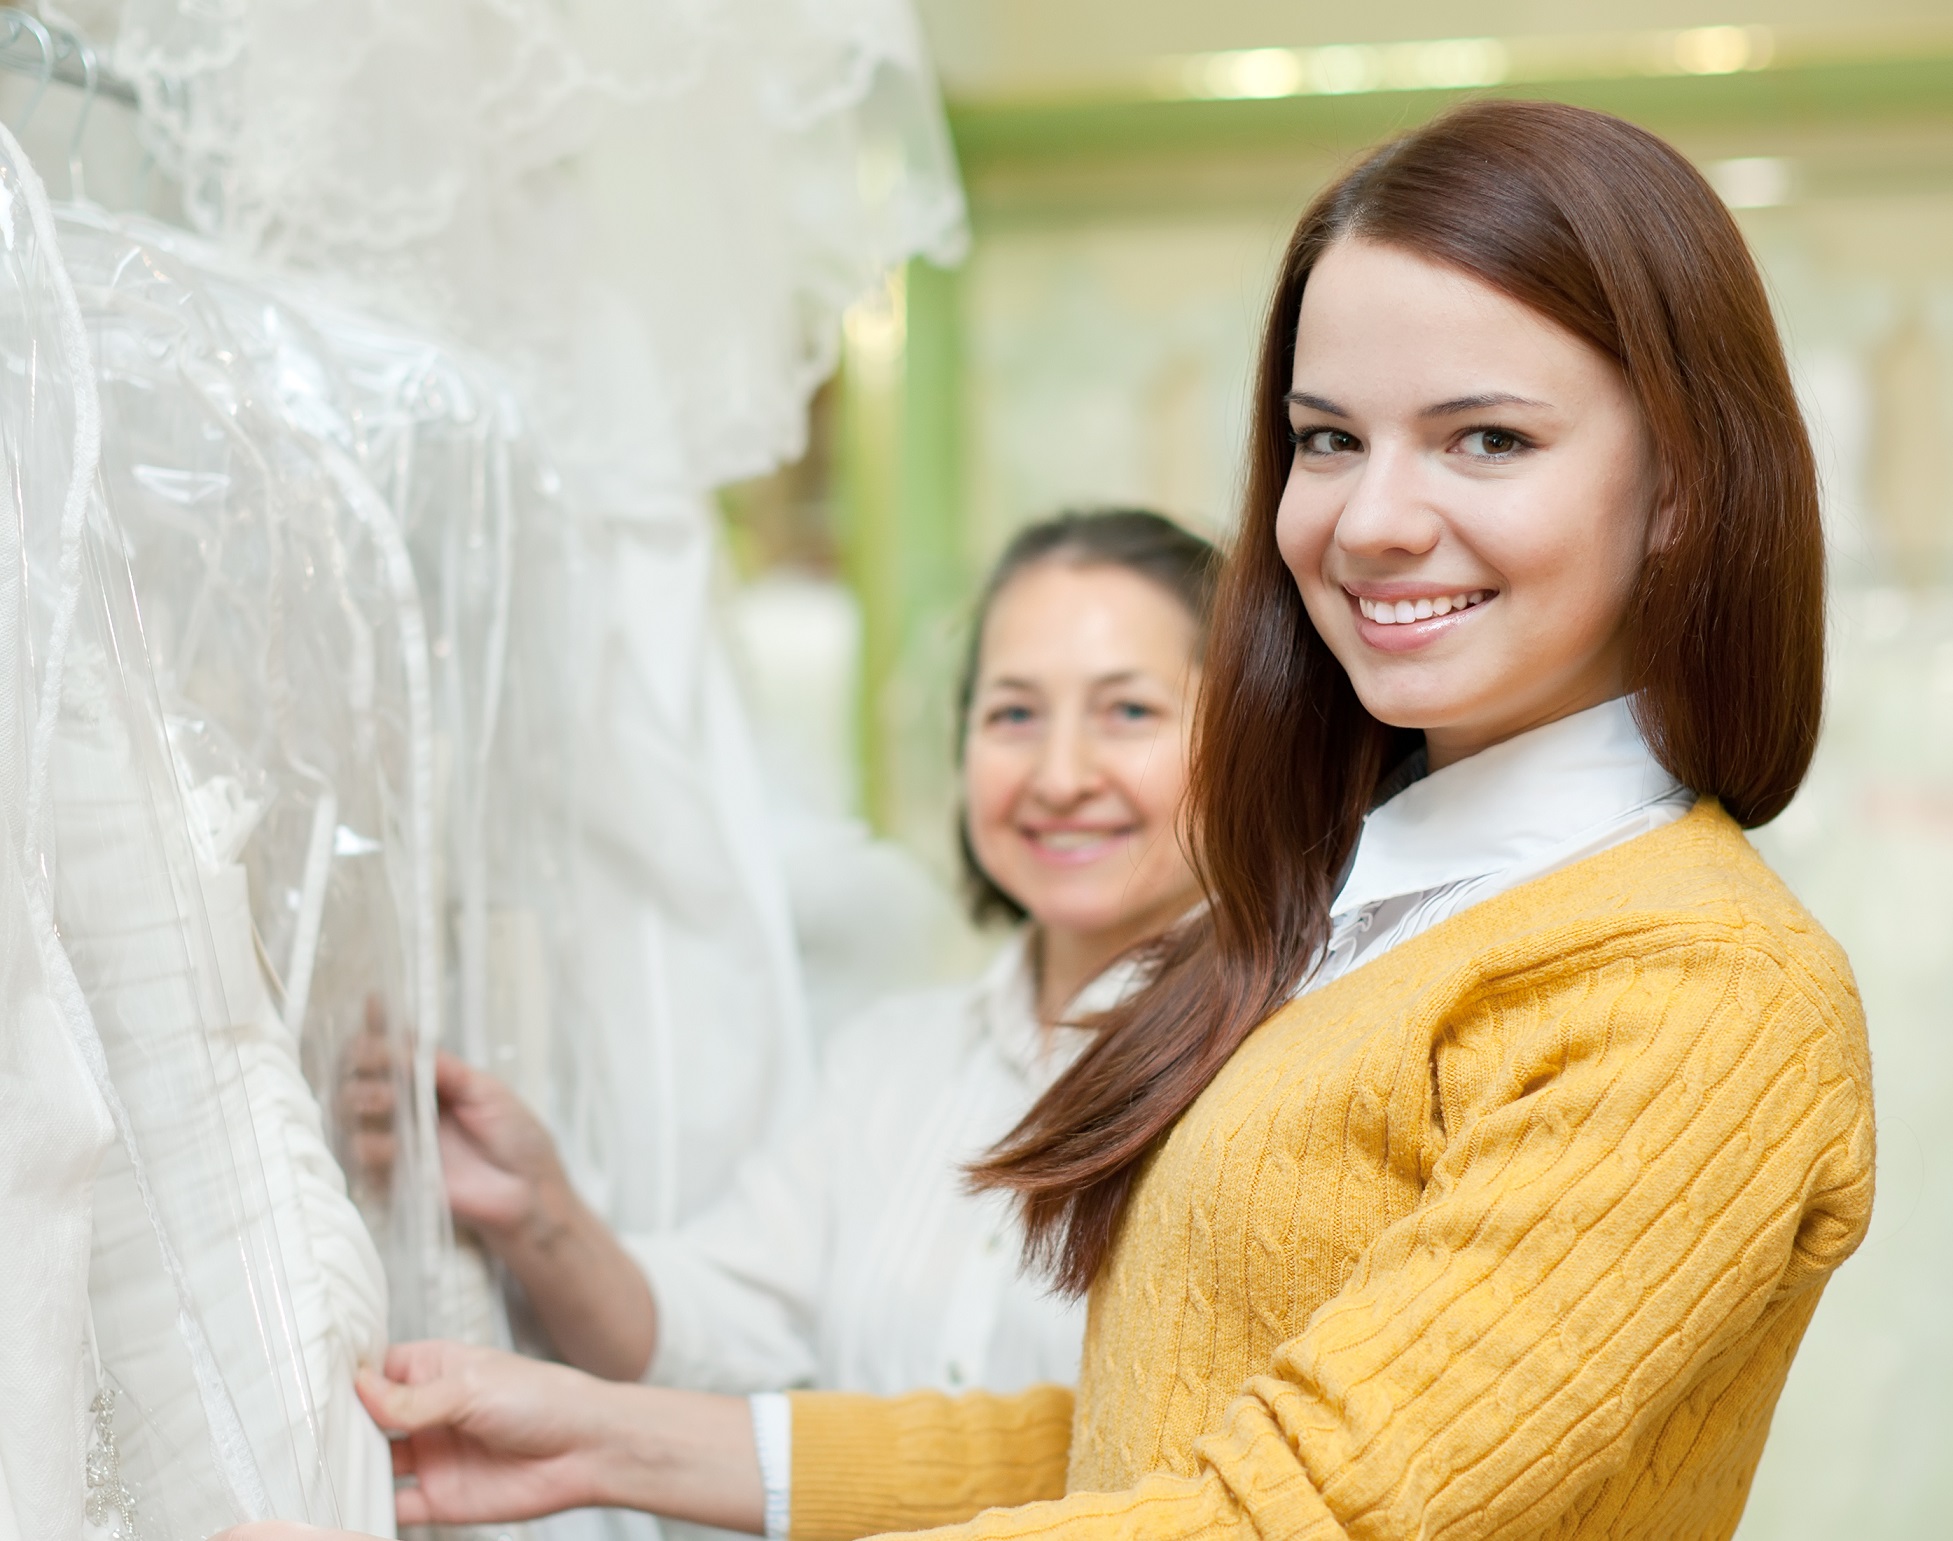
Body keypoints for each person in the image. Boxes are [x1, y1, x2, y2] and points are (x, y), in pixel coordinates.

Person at [223, 97, 1876, 1541]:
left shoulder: (1698, 988)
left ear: (1680, 486)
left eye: (1485, 439)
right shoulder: (1358, 915)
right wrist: (607, 1440)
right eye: (1325, 441)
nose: (1371, 520)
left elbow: (1283, 1516)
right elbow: (1144, 1438)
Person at [426, 510, 1216, 1404]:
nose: (1060, 775)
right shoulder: (891, 1061)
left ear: (1245, 736)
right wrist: (534, 1209)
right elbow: (717, 1322)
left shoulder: (1278, 1067)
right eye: (1013, 713)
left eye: (1128, 711)